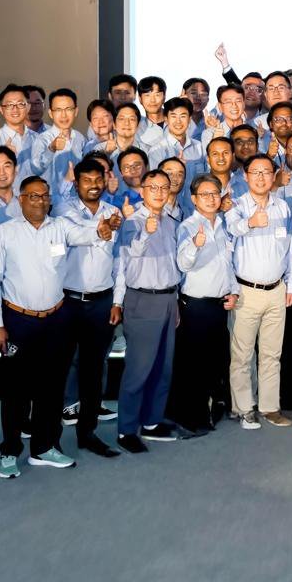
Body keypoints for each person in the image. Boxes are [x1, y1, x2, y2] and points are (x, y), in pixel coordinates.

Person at [0, 176, 120, 478]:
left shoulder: (59, 227)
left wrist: (102, 229)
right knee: (16, 391)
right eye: (34, 196)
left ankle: (44, 448)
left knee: (52, 388)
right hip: (17, 320)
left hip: (56, 320)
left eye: (45, 196)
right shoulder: (4, 233)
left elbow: (85, 234)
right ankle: (10, 451)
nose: (40, 201)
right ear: (21, 199)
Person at [56, 157, 124, 457]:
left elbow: (120, 261)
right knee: (59, 369)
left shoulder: (113, 212)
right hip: (68, 302)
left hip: (101, 302)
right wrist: (101, 229)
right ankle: (49, 440)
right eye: (87, 180)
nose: (94, 185)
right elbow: (74, 234)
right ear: (77, 183)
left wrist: (117, 301)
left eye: (98, 179)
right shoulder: (64, 210)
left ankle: (88, 433)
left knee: (93, 370)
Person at [111, 170, 183, 452]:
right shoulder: (132, 221)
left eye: (164, 187)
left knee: (163, 368)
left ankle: (151, 421)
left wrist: (175, 301)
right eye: (153, 187)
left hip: (167, 298)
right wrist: (145, 233)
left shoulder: (170, 221)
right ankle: (126, 430)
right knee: (138, 369)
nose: (159, 192)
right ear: (142, 191)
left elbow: (172, 265)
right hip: (142, 299)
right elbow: (129, 256)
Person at [224, 155, 292, 429]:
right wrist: (251, 222)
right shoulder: (236, 206)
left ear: (274, 175)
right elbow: (231, 233)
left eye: (267, 172)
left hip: (277, 290)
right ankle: (244, 408)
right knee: (242, 355)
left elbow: (289, 248)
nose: (261, 177)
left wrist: (291, 284)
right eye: (255, 172)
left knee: (271, 354)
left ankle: (269, 407)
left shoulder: (283, 206)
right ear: (245, 176)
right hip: (246, 291)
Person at [171, 174, 237, 435]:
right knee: (193, 364)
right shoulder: (187, 227)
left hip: (219, 306)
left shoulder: (223, 224)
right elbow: (183, 264)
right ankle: (191, 418)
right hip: (195, 306)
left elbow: (228, 264)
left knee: (215, 361)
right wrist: (195, 246)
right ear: (194, 199)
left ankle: (210, 410)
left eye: (215, 194)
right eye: (205, 194)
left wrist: (234, 292)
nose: (211, 199)